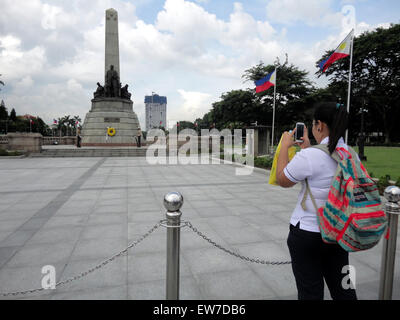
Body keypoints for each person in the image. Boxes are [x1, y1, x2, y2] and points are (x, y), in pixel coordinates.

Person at [276, 101, 357, 300]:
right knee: (343, 289)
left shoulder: (310, 156)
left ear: (319, 125)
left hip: (308, 233)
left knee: (310, 292)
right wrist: (309, 148)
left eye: (314, 124)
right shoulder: (350, 154)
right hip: (338, 232)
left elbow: (283, 180)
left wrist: (285, 147)